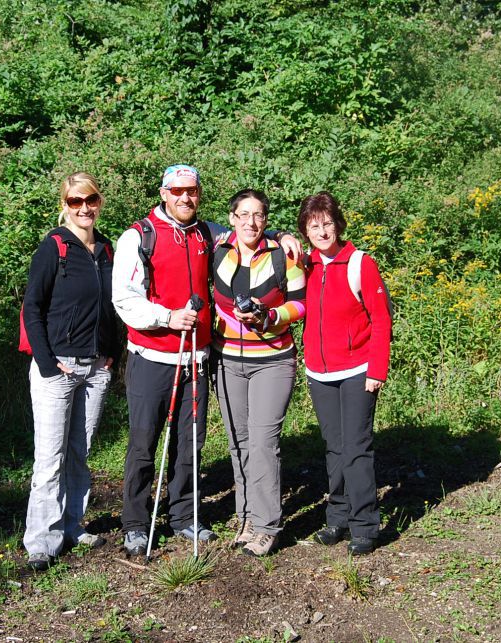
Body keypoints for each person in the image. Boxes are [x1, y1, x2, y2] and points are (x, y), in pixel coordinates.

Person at [112, 165, 302, 557]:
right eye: (178, 191)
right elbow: (124, 299)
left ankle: (183, 516)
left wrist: (282, 235)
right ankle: (135, 522)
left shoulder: (207, 234)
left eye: (193, 191)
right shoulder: (139, 236)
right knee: (144, 442)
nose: (186, 197)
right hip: (153, 355)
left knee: (190, 443)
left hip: (198, 356)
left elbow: (251, 231)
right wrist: (166, 317)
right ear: (164, 193)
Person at [21, 172, 119, 570]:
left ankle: (73, 526)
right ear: (64, 204)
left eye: (90, 199)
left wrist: (111, 352)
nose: (84, 208)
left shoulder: (107, 249)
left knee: (81, 451)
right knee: (50, 458)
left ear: (99, 201)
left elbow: (113, 306)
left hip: (96, 368)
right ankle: (41, 542)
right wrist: (47, 362)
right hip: (58, 367)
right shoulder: (54, 247)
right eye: (75, 201)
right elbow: (33, 307)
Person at [211, 189, 306, 557]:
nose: (251, 222)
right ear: (232, 218)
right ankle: (247, 516)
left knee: (264, 444)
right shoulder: (218, 249)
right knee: (239, 442)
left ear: (266, 220)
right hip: (227, 360)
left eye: (259, 216)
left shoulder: (284, 254)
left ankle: (267, 526)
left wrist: (271, 317)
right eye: (244, 214)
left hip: (272, 359)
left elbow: (301, 302)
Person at [298, 191, 392, 556]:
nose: (322, 231)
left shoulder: (360, 264)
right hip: (320, 372)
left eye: (327, 223)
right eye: (313, 225)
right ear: (305, 231)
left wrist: (376, 370)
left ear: (338, 224)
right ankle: (337, 518)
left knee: (356, 449)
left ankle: (366, 525)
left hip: (358, 370)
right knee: (334, 449)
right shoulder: (305, 265)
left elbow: (381, 319)